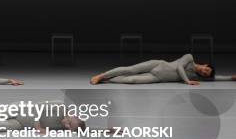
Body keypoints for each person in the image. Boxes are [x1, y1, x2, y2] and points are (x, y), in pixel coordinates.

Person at [90, 54, 235, 85]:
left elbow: (215, 78)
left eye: (205, 74)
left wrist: (231, 78)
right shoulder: (189, 58)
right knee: (131, 70)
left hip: (159, 78)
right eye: (205, 70)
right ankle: (102, 75)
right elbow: (178, 67)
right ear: (204, 64)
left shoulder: (197, 76)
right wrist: (187, 81)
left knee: (133, 80)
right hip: (158, 65)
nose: (204, 73)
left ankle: (108, 80)